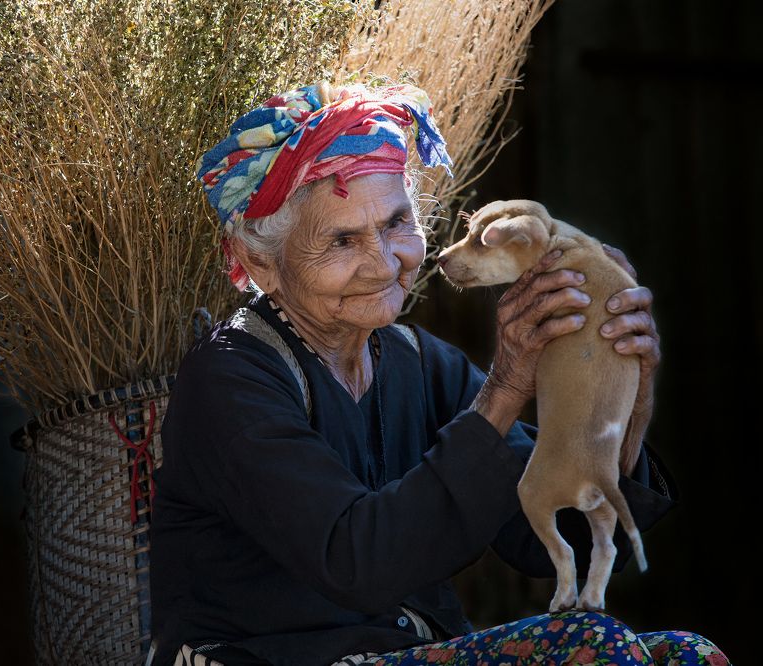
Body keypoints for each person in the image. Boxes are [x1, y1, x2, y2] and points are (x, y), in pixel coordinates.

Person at [148, 81, 731, 666]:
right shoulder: (229, 380)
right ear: (259, 263)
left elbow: (566, 537)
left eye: (397, 223)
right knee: (594, 648)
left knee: (690, 655)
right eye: (344, 240)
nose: (384, 262)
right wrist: (505, 389)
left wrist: (624, 386)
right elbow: (359, 564)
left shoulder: (418, 364)